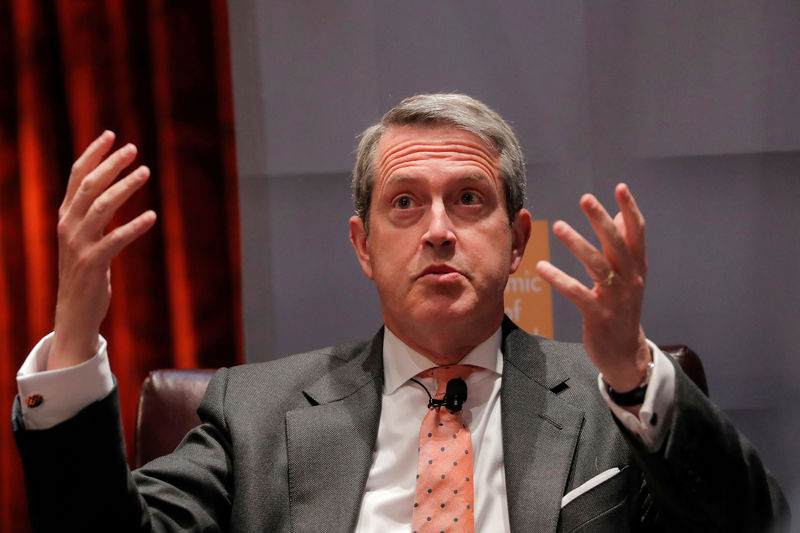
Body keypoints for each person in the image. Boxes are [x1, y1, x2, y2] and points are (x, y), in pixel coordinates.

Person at [13, 94, 788, 532]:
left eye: (470, 200)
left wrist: (627, 369)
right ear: (363, 244)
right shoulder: (255, 413)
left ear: (518, 240)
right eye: (406, 204)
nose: (440, 229)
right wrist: (76, 337)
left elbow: (752, 524)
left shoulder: (616, 397)